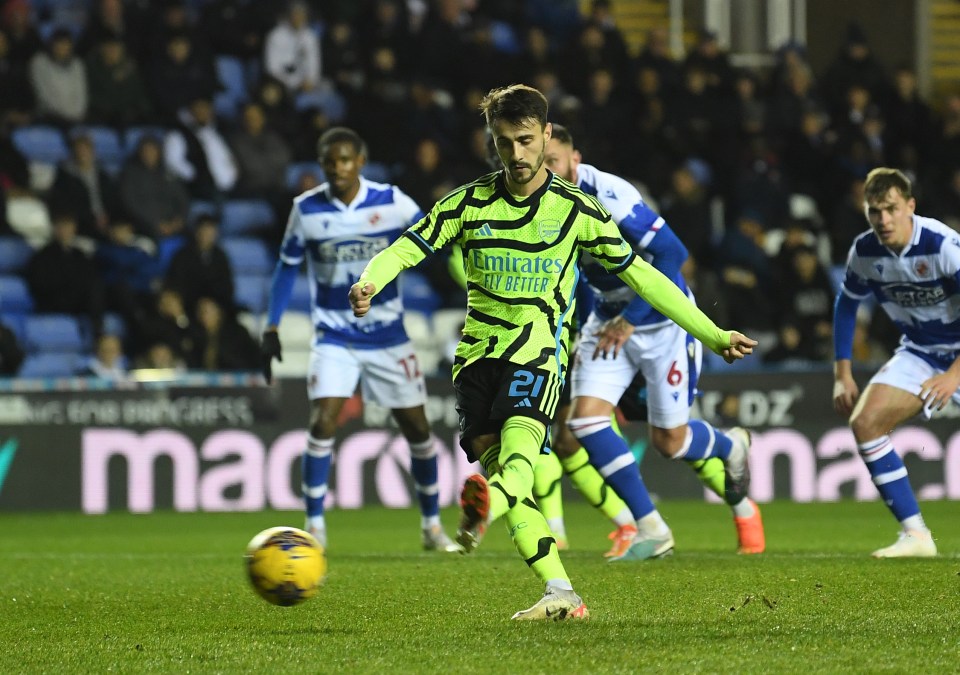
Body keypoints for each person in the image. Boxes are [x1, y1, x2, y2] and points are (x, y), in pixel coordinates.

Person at [348, 84, 757, 621]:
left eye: (524, 140)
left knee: (518, 463)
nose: (515, 155)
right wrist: (369, 280)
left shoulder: (576, 210)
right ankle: (560, 591)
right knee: (517, 484)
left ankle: (486, 504)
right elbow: (407, 246)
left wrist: (712, 334)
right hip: (475, 363)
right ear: (491, 143)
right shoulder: (468, 203)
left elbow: (643, 274)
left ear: (546, 136)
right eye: (503, 143)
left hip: (537, 358)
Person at [542, 123, 764, 559]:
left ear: (575, 160)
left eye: (553, 162)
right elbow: (577, 277)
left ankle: (730, 444)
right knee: (584, 421)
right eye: (539, 163)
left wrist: (630, 319)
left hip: (662, 324)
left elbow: (673, 255)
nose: (545, 171)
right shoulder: (540, 204)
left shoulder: (610, 196)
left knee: (669, 442)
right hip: (608, 322)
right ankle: (650, 526)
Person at [260, 126, 460, 555]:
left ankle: (430, 526)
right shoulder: (306, 209)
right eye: (330, 162)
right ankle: (315, 527)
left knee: (418, 430)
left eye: (345, 160)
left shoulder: (392, 201)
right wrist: (271, 326)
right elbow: (285, 268)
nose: (338, 169)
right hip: (334, 334)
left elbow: (436, 237)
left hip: (389, 335)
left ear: (361, 162)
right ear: (322, 165)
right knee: (323, 421)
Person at [832, 167, 955, 557]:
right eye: (874, 211)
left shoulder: (942, 246)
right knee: (865, 423)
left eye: (891, 209)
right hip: (921, 350)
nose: (883, 220)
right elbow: (847, 306)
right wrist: (843, 373)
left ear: (910, 207)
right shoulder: (865, 252)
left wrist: (954, 375)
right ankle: (916, 536)